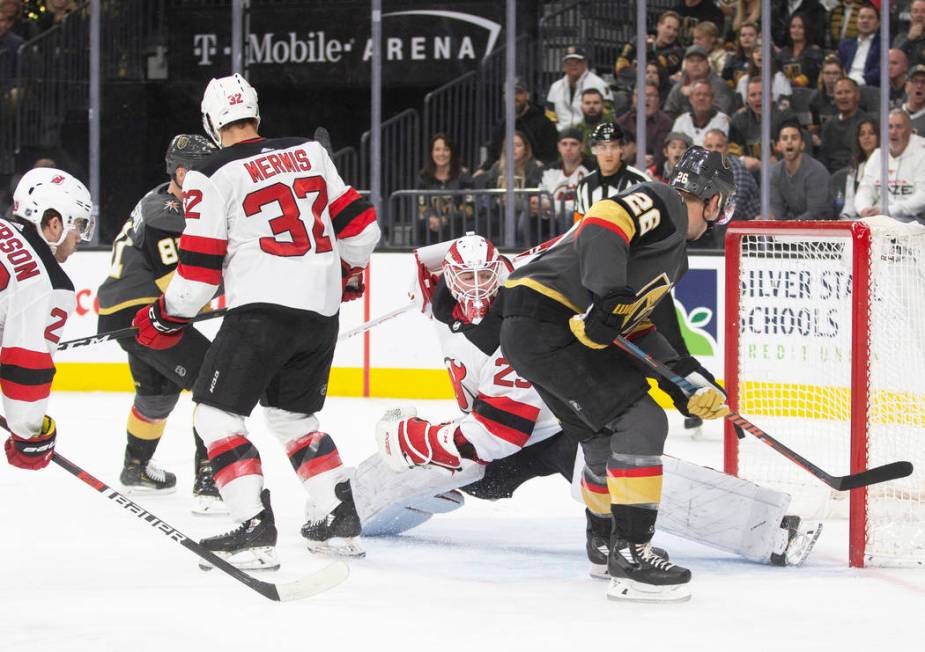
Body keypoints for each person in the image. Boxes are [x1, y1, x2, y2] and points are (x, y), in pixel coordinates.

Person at [367, 234, 822, 575]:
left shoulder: (516, 322)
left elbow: (498, 434)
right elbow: (448, 266)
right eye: (465, 278)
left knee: (619, 473)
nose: (478, 287)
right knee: (447, 467)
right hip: (495, 426)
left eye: (487, 276)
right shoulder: (452, 295)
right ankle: (343, 506)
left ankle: (771, 530)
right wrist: (424, 282)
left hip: (555, 421)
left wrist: (417, 438)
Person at [132, 74, 380, 567]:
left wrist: (162, 318)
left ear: (210, 122)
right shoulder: (311, 153)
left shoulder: (209, 174)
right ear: (257, 114)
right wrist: (346, 272)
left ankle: (252, 528)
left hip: (261, 315)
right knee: (293, 418)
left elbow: (198, 278)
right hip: (319, 315)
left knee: (216, 416)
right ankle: (336, 516)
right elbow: (364, 229)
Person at [497, 147, 735, 602]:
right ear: (709, 197)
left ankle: (604, 542)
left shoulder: (674, 257)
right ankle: (631, 552)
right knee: (641, 421)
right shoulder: (664, 202)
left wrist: (686, 381)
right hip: (549, 321)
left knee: (602, 437)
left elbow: (631, 325)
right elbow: (605, 218)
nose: (717, 214)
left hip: (535, 329)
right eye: (720, 203)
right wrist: (609, 295)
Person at [96, 134, 224, 510]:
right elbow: (178, 288)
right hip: (145, 312)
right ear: (182, 174)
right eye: (205, 173)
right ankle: (210, 477)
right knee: (214, 380)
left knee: (157, 394)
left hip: (127, 309)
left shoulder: (162, 200)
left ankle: (135, 468)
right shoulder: (169, 214)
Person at [2, 168, 92, 472]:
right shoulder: (50, 284)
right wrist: (29, 436)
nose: (80, 236)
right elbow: (26, 365)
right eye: (78, 224)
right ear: (53, 223)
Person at [855, 109, 925, 223]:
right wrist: (864, 209)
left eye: (899, 127)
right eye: (890, 127)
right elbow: (864, 189)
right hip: (878, 219)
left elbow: (923, 196)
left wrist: (890, 210)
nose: (893, 131)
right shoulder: (878, 155)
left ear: (909, 131)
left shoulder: (921, 154)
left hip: (911, 221)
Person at [572, 122, 650, 223]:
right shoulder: (584, 186)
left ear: (621, 149)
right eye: (602, 147)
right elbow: (578, 228)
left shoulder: (641, 182)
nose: (608, 154)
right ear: (594, 150)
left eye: (613, 147)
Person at [479, 131, 544, 245]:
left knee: (518, 221)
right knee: (483, 221)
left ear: (525, 149)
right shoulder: (496, 168)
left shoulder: (533, 167)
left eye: (518, 145)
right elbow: (487, 195)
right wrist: (497, 201)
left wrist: (514, 201)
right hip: (499, 213)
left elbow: (533, 198)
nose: (513, 149)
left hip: (524, 214)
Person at [480, 77, 558, 172]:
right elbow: (493, 157)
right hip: (505, 176)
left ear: (527, 95)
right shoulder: (501, 126)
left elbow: (551, 158)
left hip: (535, 175)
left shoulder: (544, 122)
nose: (514, 97)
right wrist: (482, 170)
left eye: (519, 92)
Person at [730, 77, 800, 172]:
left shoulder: (785, 116)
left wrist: (772, 161)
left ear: (771, 97)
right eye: (753, 95)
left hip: (782, 171)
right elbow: (732, 152)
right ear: (747, 99)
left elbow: (793, 148)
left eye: (762, 94)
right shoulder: (738, 119)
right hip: (750, 174)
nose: (758, 99)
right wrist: (742, 159)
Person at [769, 121, 834, 220]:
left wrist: (788, 227)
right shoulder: (775, 172)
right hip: (792, 228)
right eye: (785, 138)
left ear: (802, 145)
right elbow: (776, 209)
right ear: (778, 146)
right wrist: (769, 218)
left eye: (794, 138)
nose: (789, 141)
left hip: (823, 229)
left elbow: (815, 213)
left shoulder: (816, 172)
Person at [417, 133, 474, 245]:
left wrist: (446, 219)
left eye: (446, 149)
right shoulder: (424, 176)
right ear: (431, 153)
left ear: (451, 152)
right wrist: (431, 218)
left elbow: (469, 208)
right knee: (420, 225)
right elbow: (422, 205)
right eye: (437, 149)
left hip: (458, 225)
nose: (441, 154)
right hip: (432, 225)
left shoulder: (463, 175)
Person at [545, 46, 613, 132]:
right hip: (562, 137)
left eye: (577, 62)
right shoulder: (555, 87)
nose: (573, 65)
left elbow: (608, 114)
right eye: (569, 63)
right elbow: (550, 114)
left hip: (588, 135)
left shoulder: (600, 84)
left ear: (585, 63)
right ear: (563, 66)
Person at [702, 128, 760, 223]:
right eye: (709, 146)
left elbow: (733, 210)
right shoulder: (703, 168)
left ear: (727, 149)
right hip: (718, 219)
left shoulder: (737, 170)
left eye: (719, 146)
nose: (714, 150)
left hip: (747, 224)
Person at [537, 127, 591, 226]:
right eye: (564, 144)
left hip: (580, 220)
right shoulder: (549, 170)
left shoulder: (591, 169)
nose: (568, 148)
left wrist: (552, 205)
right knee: (526, 217)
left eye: (573, 144)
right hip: (550, 218)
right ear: (558, 147)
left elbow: (586, 203)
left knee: (567, 215)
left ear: (582, 147)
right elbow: (542, 195)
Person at [663, 45, 735, 118]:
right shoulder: (680, 86)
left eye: (699, 60)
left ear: (707, 63)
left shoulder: (719, 85)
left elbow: (722, 113)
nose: (695, 64)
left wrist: (691, 97)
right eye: (691, 61)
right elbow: (669, 112)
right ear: (686, 65)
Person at [616, 81, 674, 169]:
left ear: (658, 99)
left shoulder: (666, 123)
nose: (646, 99)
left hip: (656, 172)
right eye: (642, 95)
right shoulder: (622, 122)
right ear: (634, 98)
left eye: (651, 95)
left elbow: (662, 155)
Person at [819, 77, 873, 172]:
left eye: (847, 92)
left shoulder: (867, 122)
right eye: (839, 93)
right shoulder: (829, 125)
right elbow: (823, 158)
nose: (843, 96)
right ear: (834, 98)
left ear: (857, 95)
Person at [615, 10, 685, 78]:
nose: (671, 33)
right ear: (659, 26)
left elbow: (656, 73)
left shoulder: (676, 53)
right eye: (668, 27)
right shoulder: (638, 40)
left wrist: (649, 49)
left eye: (675, 30)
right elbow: (619, 67)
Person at [832, 117, 878, 217]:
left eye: (871, 133)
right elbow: (849, 205)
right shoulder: (855, 168)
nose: (866, 137)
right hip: (859, 219)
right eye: (862, 134)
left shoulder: (888, 165)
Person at [671, 80, 731, 146]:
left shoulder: (722, 121)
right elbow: (674, 148)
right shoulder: (681, 121)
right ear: (690, 99)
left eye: (706, 95)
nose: (701, 98)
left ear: (712, 99)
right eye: (698, 94)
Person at [837, 3, 881, 87]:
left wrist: (858, 82)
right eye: (862, 17)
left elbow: (881, 70)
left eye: (870, 18)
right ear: (857, 21)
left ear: (878, 23)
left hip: (868, 86)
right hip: (843, 85)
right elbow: (838, 66)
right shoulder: (845, 44)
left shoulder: (883, 44)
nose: (865, 21)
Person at [778, 13, 824, 89]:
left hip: (808, 94)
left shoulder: (814, 52)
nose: (796, 30)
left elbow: (808, 75)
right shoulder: (784, 52)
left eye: (800, 27)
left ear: (806, 29)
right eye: (793, 27)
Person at [574, 88, 615, 158]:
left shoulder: (613, 127)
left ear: (602, 106)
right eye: (587, 103)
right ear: (581, 107)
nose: (591, 106)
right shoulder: (576, 130)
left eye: (596, 103)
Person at [722, 22, 758, 87]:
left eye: (751, 35)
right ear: (739, 38)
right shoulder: (731, 59)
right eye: (743, 35)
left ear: (757, 37)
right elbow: (726, 81)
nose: (747, 38)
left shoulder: (762, 59)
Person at [895, 0, 925, 66]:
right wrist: (909, 39)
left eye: (923, 11)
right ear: (911, 15)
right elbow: (894, 60)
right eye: (915, 11)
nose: (919, 15)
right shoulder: (901, 37)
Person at [901, 64, 925, 135]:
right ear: (906, 86)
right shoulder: (894, 113)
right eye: (915, 81)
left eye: (924, 82)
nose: (919, 86)